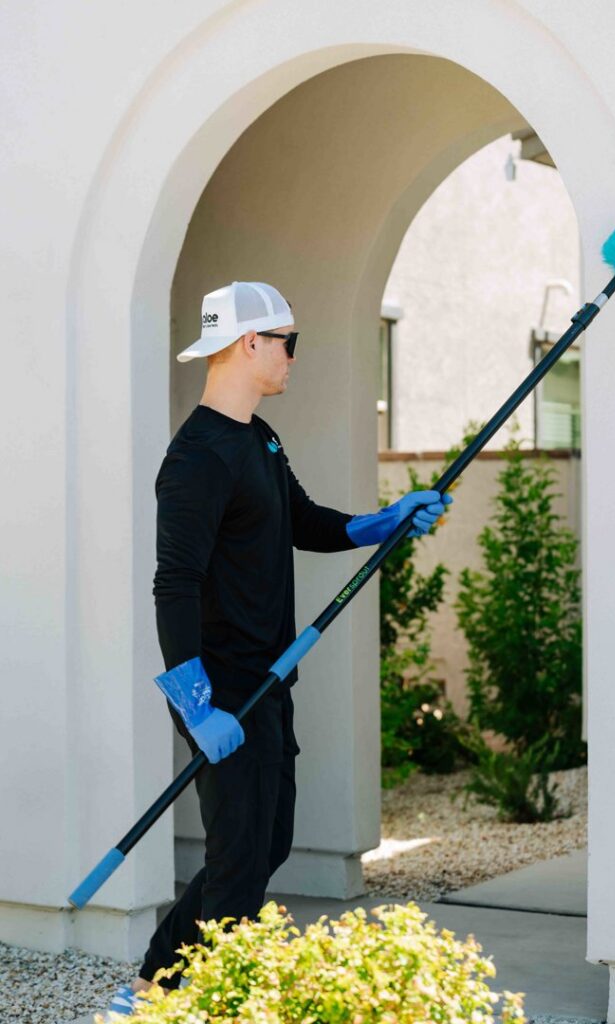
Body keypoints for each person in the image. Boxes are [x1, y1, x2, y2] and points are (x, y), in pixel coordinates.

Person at [102, 281, 451, 1018]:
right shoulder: (197, 456)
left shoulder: (258, 438)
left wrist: (388, 520)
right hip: (220, 686)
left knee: (266, 845)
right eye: (286, 340)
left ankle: (158, 982)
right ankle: (185, 1001)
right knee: (236, 864)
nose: (294, 355)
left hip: (266, 678)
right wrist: (198, 709)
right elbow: (173, 585)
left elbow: (309, 521)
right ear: (246, 344)